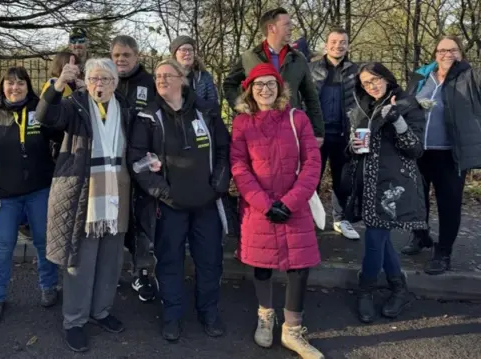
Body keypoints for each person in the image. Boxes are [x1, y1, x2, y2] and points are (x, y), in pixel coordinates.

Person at [128, 58, 230, 341]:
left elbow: (223, 149)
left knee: (210, 261)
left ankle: (208, 312)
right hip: (169, 206)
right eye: (157, 76)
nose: (160, 80)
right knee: (169, 262)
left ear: (182, 78)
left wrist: (219, 183)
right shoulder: (147, 117)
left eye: (167, 75)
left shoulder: (206, 111)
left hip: (206, 203)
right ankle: (172, 315)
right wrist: (163, 192)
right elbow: (137, 162)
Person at [35, 58, 132, 353]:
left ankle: (100, 311)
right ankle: (74, 320)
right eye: (94, 79)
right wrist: (58, 85)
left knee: (110, 258)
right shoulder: (74, 105)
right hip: (84, 191)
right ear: (85, 82)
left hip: (118, 190)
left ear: (115, 83)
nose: (99, 85)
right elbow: (44, 117)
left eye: (105, 79)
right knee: (81, 260)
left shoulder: (125, 108)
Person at [230, 63, 324, 359]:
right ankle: (265, 316)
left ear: (280, 88)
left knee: (299, 265)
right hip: (259, 207)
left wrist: (291, 201)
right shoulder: (243, 123)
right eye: (258, 85)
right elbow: (239, 166)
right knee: (262, 263)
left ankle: (292, 330)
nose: (264, 90)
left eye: (270, 84)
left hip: (293, 203)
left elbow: (312, 163)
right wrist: (264, 203)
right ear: (249, 90)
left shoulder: (298, 119)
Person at [0, 67, 60, 323]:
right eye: (10, 83)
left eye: (20, 83)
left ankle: (49, 286)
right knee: (2, 247)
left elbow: (59, 135)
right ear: (2, 86)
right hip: (5, 194)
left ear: (28, 86)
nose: (15, 87)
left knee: (44, 243)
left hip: (39, 189)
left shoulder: (39, 110)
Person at [343, 62, 426, 323]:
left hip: (393, 186)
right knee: (382, 239)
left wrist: (398, 121)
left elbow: (415, 150)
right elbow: (353, 146)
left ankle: (365, 290)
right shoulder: (363, 107)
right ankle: (399, 288)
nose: (372, 85)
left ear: (387, 78)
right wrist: (353, 147)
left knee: (375, 239)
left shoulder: (407, 104)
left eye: (376, 79)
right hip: (366, 184)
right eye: (366, 82)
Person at [403, 35, 481, 275]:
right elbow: (407, 103)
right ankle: (421, 236)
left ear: (461, 53)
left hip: (450, 153)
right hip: (419, 150)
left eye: (453, 50)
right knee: (417, 199)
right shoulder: (422, 75)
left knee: (449, 203)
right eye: (442, 50)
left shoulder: (469, 77)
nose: (447, 55)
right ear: (435, 53)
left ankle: (443, 252)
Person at [223, 7, 324, 146]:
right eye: (286, 24)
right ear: (271, 28)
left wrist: (318, 132)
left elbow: (311, 96)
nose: (291, 28)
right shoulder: (249, 57)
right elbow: (229, 84)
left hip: (290, 128)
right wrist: (240, 106)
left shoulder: (298, 58)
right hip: (257, 130)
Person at [110, 35, 157, 302]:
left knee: (141, 221)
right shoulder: (106, 80)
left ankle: (141, 273)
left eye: (126, 55)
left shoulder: (150, 83)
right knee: (114, 220)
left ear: (136, 56)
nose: (121, 60)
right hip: (112, 164)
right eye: (116, 55)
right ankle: (111, 271)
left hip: (142, 163)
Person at [309, 27, 360, 240]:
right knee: (312, 181)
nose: (338, 46)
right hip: (316, 136)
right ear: (326, 44)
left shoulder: (356, 71)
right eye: (334, 41)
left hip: (343, 136)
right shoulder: (311, 69)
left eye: (342, 42)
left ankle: (341, 220)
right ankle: (310, 221)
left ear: (348, 45)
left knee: (343, 182)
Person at [170, 35, 219, 108]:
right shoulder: (166, 77)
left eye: (190, 50)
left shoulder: (204, 77)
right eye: (184, 50)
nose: (187, 53)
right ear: (175, 54)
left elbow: (213, 104)